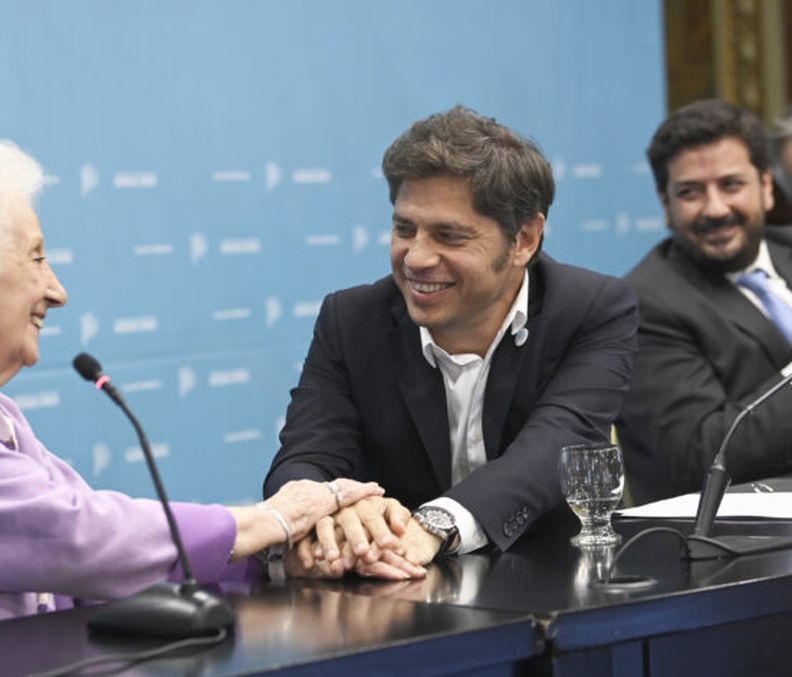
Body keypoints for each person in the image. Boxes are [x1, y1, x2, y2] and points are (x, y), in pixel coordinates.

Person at [0, 134, 386, 653]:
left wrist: (279, 557)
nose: (57, 291)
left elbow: (107, 559)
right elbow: (66, 537)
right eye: (36, 258)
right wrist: (271, 521)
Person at [264, 105, 639, 572]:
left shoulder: (592, 309)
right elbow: (306, 455)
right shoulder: (351, 319)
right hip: (391, 582)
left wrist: (433, 527)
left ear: (524, 239)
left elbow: (557, 444)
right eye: (405, 229)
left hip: (551, 579)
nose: (416, 258)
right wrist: (329, 511)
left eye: (449, 236)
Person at [617, 99, 792, 505]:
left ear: (766, 187)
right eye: (690, 192)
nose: (715, 209)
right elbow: (702, 451)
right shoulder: (642, 304)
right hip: (742, 533)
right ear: (666, 205)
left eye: (731, 185)